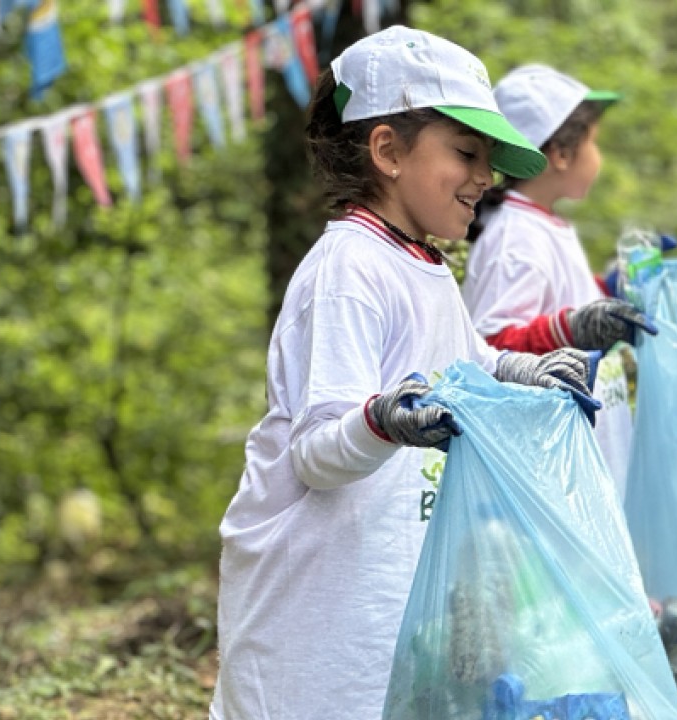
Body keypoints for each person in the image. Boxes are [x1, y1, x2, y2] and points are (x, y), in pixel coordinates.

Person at [210, 28, 600, 720]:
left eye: (489, 160)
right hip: (315, 598)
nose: (486, 178)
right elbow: (317, 451)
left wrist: (528, 370)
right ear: (388, 150)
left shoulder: (422, 264)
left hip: (384, 578)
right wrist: (384, 419)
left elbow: (466, 361)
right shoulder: (348, 271)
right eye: (466, 153)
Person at [461, 64, 654, 502]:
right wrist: (574, 328)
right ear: (562, 154)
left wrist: (616, 290)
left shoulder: (543, 226)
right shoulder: (516, 237)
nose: (598, 156)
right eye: (594, 143)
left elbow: (567, 299)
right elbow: (491, 344)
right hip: (549, 466)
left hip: (580, 450)